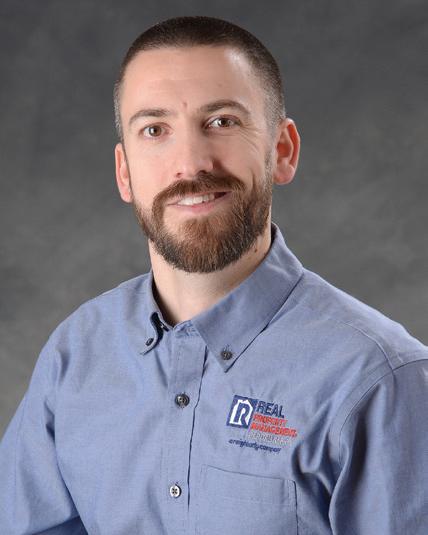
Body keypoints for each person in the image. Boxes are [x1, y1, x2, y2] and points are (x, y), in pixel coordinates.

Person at [0, 15, 427, 535]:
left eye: (222, 122)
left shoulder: (382, 380)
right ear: (124, 172)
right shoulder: (76, 355)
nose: (190, 163)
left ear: (283, 151)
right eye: (154, 130)